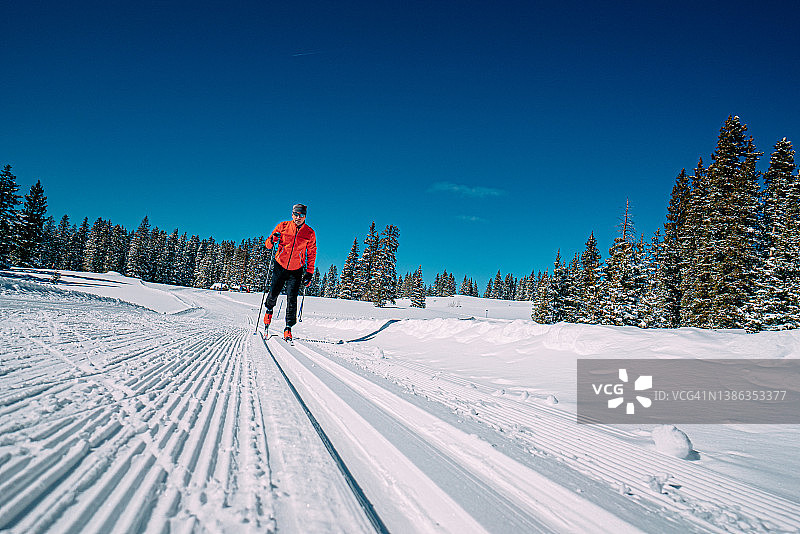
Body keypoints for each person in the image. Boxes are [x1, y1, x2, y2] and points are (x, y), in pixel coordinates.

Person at [263, 203, 317, 341]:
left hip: (296, 269)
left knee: (292, 299)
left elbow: (311, 253)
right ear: (292, 214)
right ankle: (269, 310)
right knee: (274, 292)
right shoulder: (283, 226)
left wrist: (309, 273)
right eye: (296, 214)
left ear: (305, 216)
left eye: (301, 215)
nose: (298, 217)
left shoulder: (309, 233)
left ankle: (288, 327)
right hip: (280, 265)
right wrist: (272, 239)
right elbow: (268, 245)